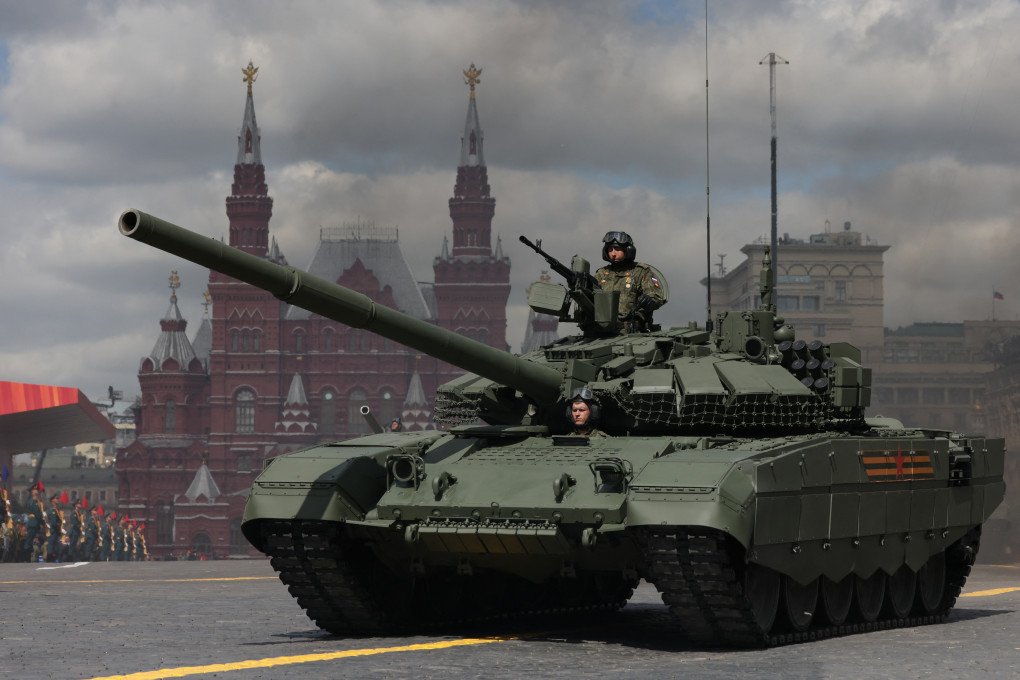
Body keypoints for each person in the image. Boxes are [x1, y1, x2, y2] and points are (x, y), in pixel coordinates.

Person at [595, 230, 667, 332]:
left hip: (631, 332)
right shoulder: (602, 274)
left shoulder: (640, 272)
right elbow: (589, 296)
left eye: (617, 249)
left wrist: (648, 301)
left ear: (628, 250)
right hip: (602, 331)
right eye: (610, 249)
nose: (613, 253)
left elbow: (656, 297)